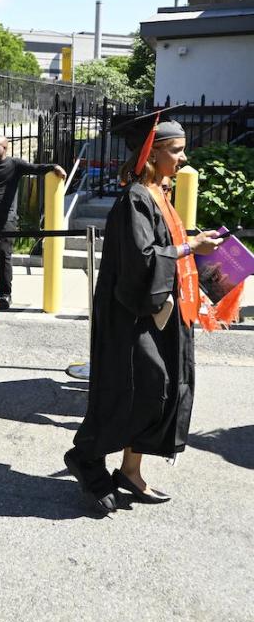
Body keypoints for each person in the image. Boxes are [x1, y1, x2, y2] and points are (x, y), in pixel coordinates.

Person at [64, 109, 225, 514]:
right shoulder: (136, 198)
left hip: (160, 312)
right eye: (176, 150)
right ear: (152, 154)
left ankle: (130, 472)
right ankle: (86, 458)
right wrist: (188, 248)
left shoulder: (159, 194)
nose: (184, 158)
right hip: (132, 316)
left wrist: (195, 248)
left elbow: (164, 247)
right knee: (138, 390)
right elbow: (142, 260)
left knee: (160, 389)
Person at [0, 135, 66, 309]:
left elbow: (36, 168)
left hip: (7, 220)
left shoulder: (15, 165)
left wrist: (54, 167)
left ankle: (6, 294)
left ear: (5, 148)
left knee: (4, 255)